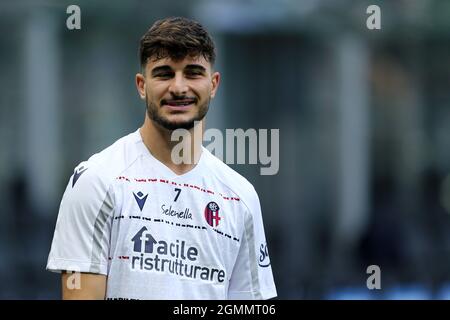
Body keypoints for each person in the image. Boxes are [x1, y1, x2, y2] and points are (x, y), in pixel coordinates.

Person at [46, 17, 277, 300]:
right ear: (142, 85)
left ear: (213, 85)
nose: (179, 88)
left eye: (193, 73)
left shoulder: (241, 197)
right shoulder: (96, 180)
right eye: (164, 73)